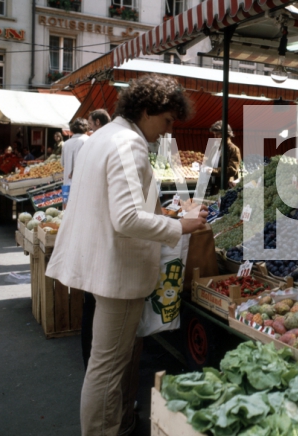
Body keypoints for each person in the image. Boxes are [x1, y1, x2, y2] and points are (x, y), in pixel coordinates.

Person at [46, 74, 208, 436]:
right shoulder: (128, 144)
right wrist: (180, 226)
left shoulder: (103, 136)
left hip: (102, 263)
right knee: (107, 366)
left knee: (110, 362)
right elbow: (127, 217)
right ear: (148, 110)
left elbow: (117, 205)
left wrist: (164, 213)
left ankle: (120, 423)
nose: (167, 131)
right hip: (116, 270)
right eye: (166, 121)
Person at [61, 118, 89, 207]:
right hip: (83, 184)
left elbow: (62, 163)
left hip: (67, 183)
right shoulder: (88, 141)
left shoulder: (66, 143)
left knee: (68, 210)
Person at [208, 121, 241, 190]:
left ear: (226, 134)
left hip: (226, 187)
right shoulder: (215, 147)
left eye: (218, 134)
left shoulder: (233, 149)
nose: (215, 136)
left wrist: (212, 171)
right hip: (213, 187)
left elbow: (232, 170)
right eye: (214, 134)